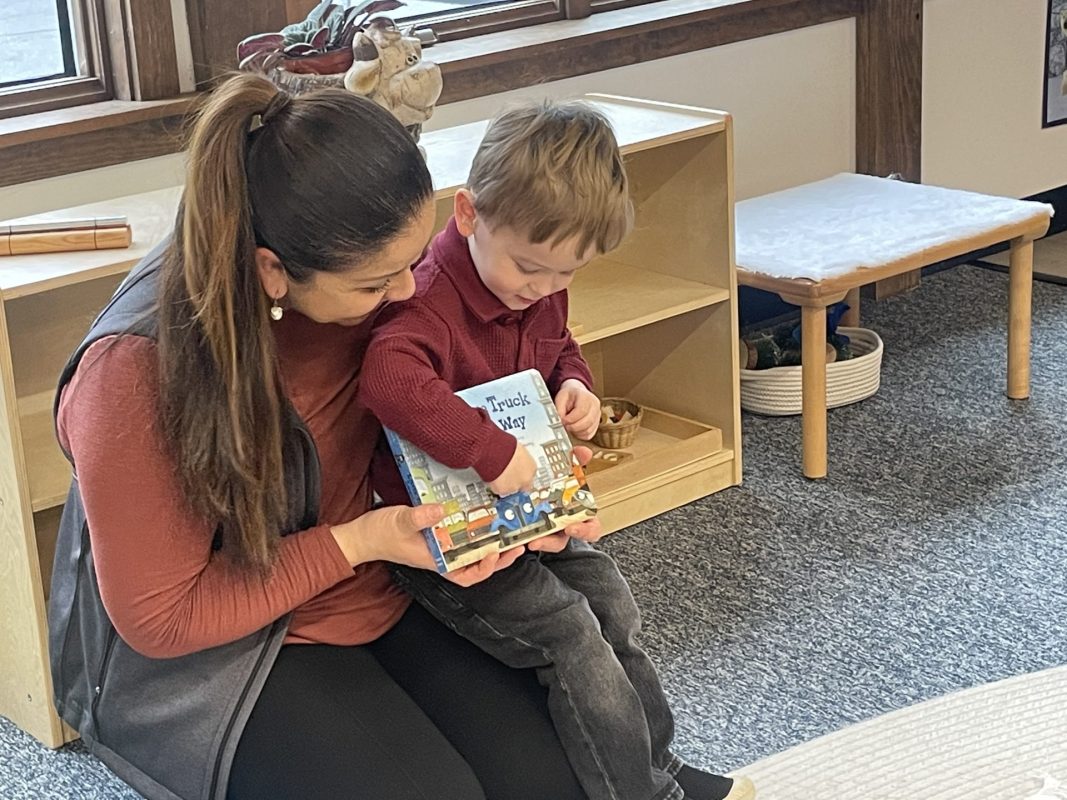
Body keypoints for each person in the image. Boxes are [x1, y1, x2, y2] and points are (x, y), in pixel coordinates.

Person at [47, 73, 617, 800]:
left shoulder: (369, 284)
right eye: (378, 283)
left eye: (413, 262)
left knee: (561, 777)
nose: (407, 291)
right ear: (273, 273)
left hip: (378, 580)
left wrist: (517, 495)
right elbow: (165, 618)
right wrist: (363, 541)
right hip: (223, 651)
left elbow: (463, 404)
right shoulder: (131, 374)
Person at [360, 100, 755, 800]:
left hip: (529, 514)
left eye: (565, 276)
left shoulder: (536, 288)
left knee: (612, 604)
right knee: (570, 633)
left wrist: (575, 385)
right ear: (467, 214)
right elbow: (390, 383)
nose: (542, 289)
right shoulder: (424, 298)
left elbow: (557, 346)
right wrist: (490, 451)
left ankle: (655, 765)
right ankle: (639, 793)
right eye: (529, 268)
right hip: (446, 543)